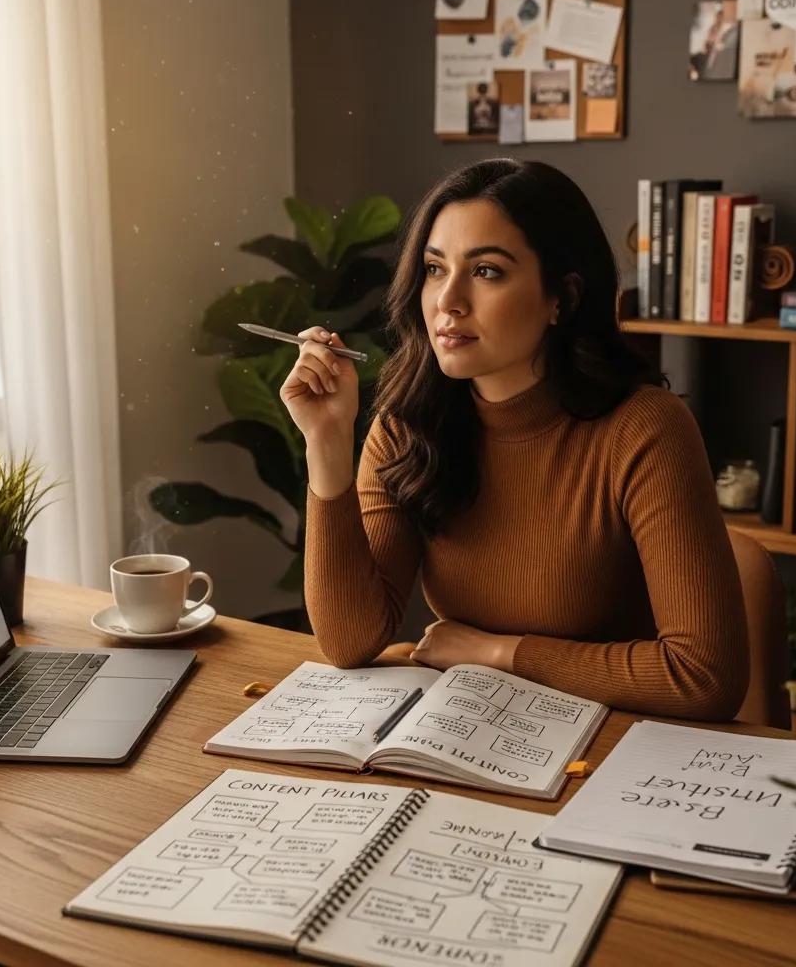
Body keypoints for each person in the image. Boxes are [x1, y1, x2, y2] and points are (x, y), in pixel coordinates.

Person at [279, 159, 749, 720]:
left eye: (487, 271)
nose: (447, 301)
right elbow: (348, 642)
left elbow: (704, 677)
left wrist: (499, 653)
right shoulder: (408, 424)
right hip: (481, 729)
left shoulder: (645, 429)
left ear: (562, 298)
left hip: (619, 741)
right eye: (435, 268)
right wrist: (327, 443)